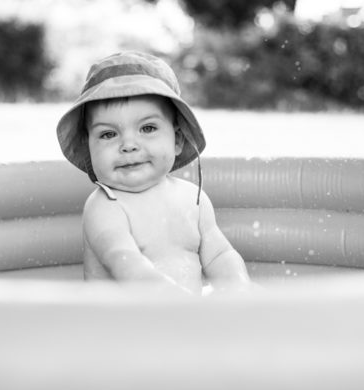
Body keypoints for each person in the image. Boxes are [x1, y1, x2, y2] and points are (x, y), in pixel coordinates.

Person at [56, 51, 250, 295]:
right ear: (88, 147)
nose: (128, 145)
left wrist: (237, 285)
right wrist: (168, 297)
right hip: (123, 327)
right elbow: (123, 260)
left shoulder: (193, 199)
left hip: (181, 319)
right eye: (108, 134)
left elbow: (220, 255)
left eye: (147, 128)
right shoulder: (106, 206)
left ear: (177, 139)